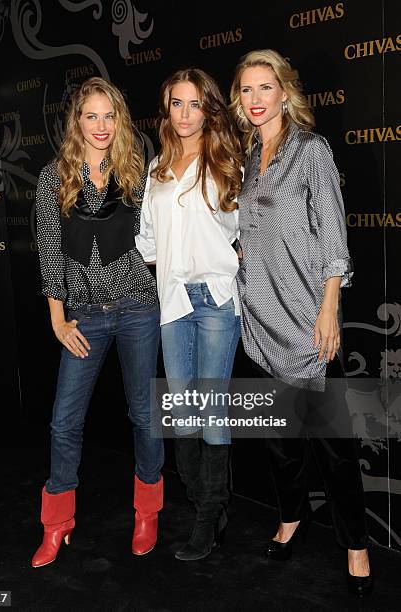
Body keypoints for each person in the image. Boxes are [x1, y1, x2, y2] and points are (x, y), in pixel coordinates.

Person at [230, 49, 372, 597]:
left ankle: (356, 545)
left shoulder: (311, 151)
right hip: (259, 316)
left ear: (284, 92)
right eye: (247, 90)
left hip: (309, 320)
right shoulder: (245, 155)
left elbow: (333, 235)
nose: (257, 98)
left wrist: (330, 307)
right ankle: (291, 519)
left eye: (266, 87)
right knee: (279, 440)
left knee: (333, 445)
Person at [32, 77, 164, 568]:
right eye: (92, 115)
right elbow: (49, 252)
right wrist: (57, 319)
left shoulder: (138, 174)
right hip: (82, 317)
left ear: (120, 120)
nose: (102, 125)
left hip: (137, 309)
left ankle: (148, 513)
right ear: (78, 122)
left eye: (110, 115)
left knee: (145, 416)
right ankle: (56, 523)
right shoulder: (54, 177)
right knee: (64, 420)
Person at [136, 68, 242, 561]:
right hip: (174, 301)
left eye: (194, 103)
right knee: (182, 410)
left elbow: (248, 226)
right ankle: (209, 505)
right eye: (176, 103)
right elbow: (147, 243)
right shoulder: (156, 168)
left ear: (209, 109)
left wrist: (219, 255)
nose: (184, 113)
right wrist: (174, 257)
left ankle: (207, 518)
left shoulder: (227, 161)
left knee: (213, 408)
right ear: (167, 109)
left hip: (217, 298)